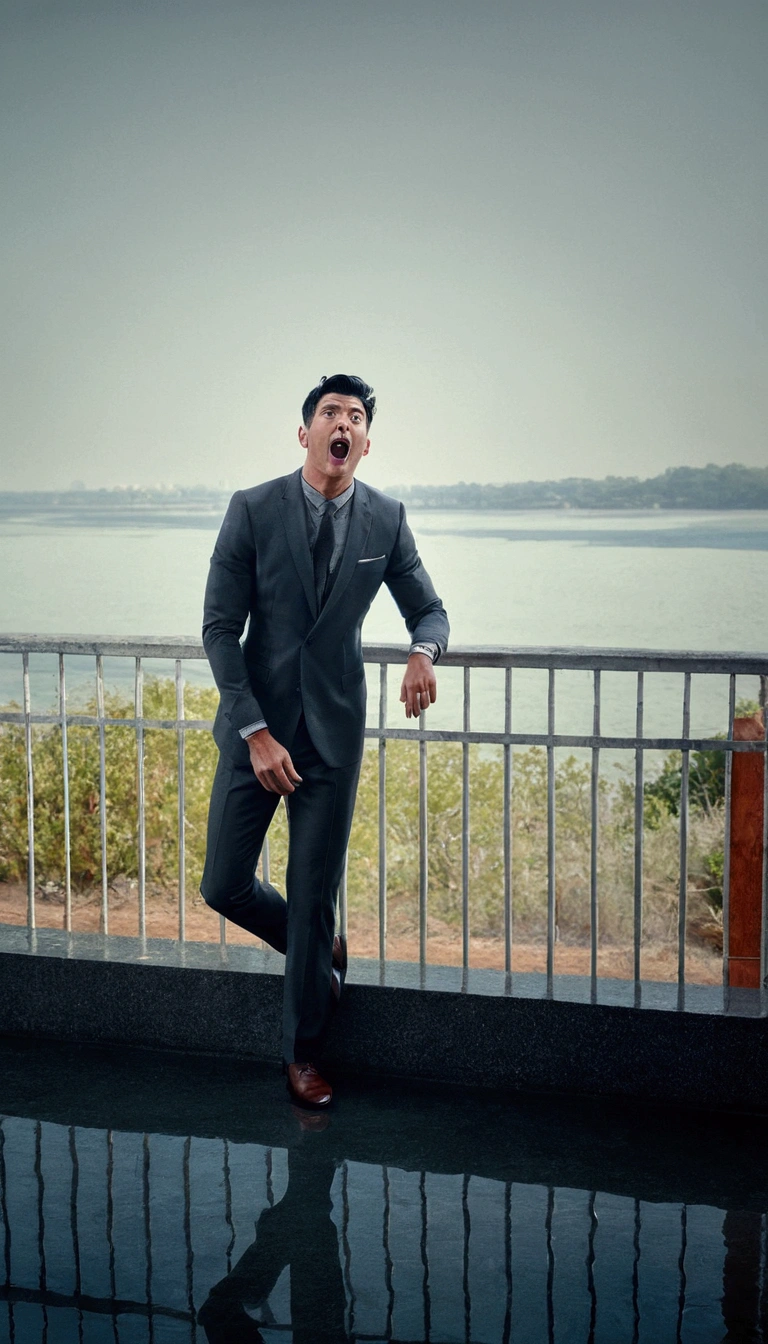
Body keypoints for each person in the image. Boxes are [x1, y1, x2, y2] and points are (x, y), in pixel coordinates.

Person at [200, 374, 449, 1107]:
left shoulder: (386, 519)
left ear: (366, 444)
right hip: (257, 735)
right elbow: (219, 629)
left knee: (312, 897)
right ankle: (318, 953)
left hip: (333, 740)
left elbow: (428, 609)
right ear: (304, 432)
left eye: (357, 417)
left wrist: (422, 654)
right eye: (330, 413)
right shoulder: (251, 510)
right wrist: (254, 731)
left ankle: (303, 1055)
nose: (343, 423)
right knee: (223, 884)